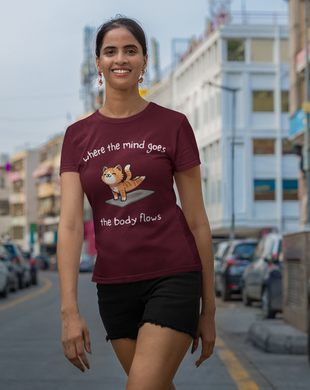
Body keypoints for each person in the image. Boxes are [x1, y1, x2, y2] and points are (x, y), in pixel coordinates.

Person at [57, 16, 216, 390]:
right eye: (110, 51)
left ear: (145, 60)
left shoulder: (173, 125)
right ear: (97, 62)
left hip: (173, 276)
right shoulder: (77, 136)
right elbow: (69, 225)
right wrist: (69, 312)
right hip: (113, 287)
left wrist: (208, 309)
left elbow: (197, 220)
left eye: (131, 50)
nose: (120, 59)